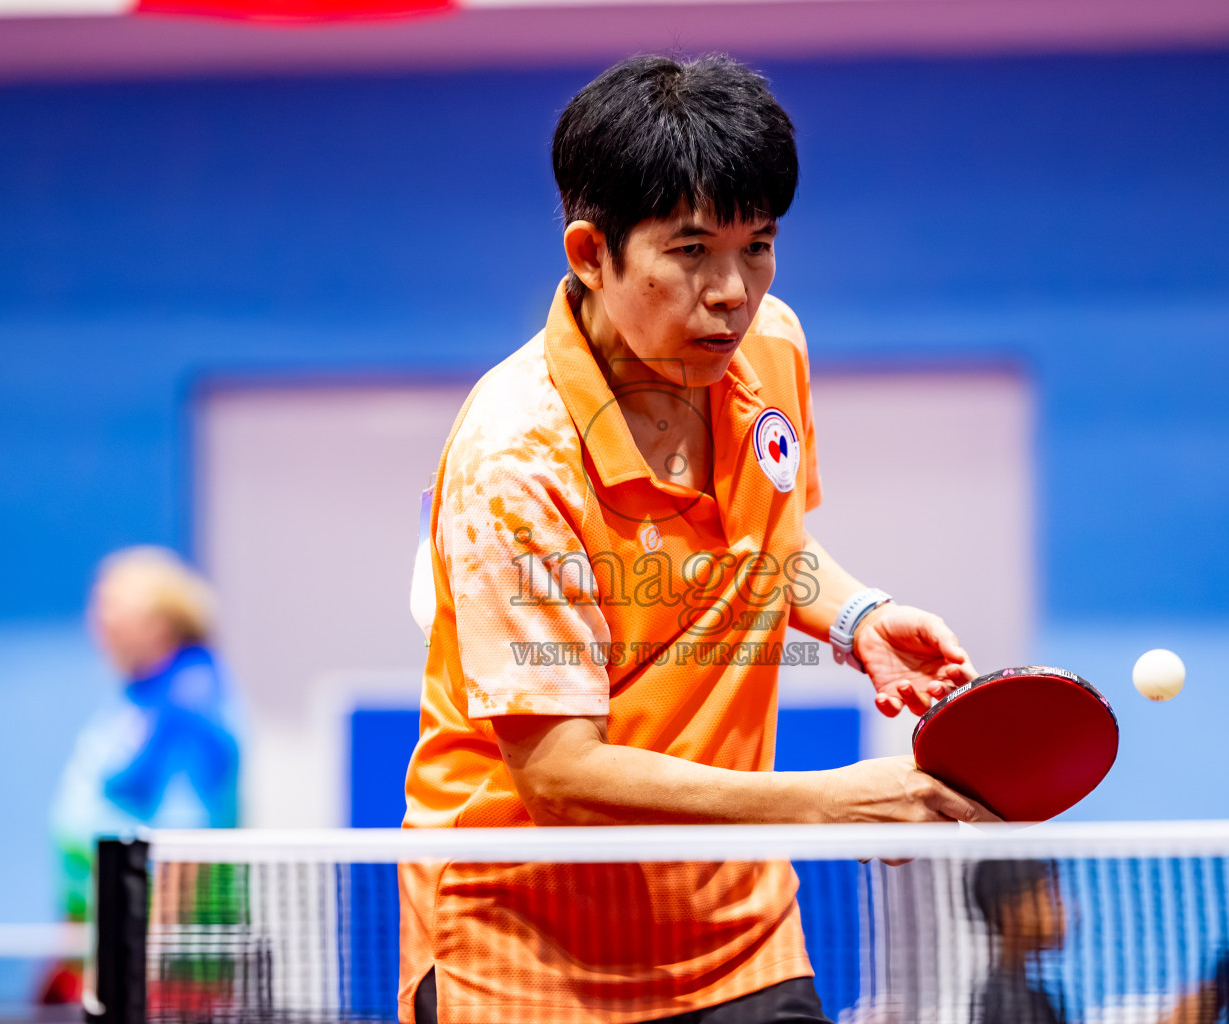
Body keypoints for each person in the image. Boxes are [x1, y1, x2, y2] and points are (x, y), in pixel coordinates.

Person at [400, 53, 998, 1024]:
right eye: (690, 252)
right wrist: (834, 805)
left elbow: (764, 544)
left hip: (738, 938)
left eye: (758, 244)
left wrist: (855, 616)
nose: (732, 291)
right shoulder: (518, 457)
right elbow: (560, 772)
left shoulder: (770, 350)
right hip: (527, 955)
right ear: (591, 253)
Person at [38, 546, 242, 1005]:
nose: (98, 623)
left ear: (160, 623)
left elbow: (186, 842)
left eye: (114, 608)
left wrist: (142, 973)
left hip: (157, 970)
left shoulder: (191, 703)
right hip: (104, 946)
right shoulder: (142, 696)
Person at [969, 861, 1219, 1024]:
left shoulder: (1027, 994)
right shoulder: (1007, 1002)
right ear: (1011, 910)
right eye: (1050, 892)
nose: (1069, 908)